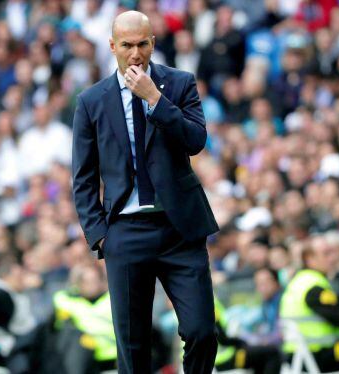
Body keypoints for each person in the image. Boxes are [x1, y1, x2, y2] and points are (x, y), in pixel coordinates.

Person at [71, 10, 219, 374]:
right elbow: (84, 177)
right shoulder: (91, 101)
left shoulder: (180, 83)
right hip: (125, 231)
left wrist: (155, 100)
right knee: (132, 347)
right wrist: (100, 235)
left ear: (153, 43)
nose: (135, 54)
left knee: (201, 332)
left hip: (180, 229)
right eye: (126, 45)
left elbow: (196, 140)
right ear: (112, 46)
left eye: (142, 44)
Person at [279, 239, 339, 373]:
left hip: (301, 353)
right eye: (326, 254)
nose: (332, 259)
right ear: (310, 259)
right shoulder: (313, 286)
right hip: (316, 355)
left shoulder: (300, 281)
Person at [51, 262, 116, 374]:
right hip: (83, 360)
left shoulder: (112, 300)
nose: (92, 285)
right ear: (78, 283)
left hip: (113, 360)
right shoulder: (66, 301)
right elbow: (62, 328)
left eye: (95, 280)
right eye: (86, 281)